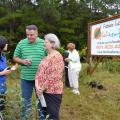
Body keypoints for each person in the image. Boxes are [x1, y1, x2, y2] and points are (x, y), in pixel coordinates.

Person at [13, 25, 47, 120]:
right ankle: (24, 117)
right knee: (25, 100)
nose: (29, 37)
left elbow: (49, 57)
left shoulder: (43, 43)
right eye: (27, 34)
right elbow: (15, 57)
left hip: (40, 79)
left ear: (36, 34)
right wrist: (23, 61)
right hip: (26, 78)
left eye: (31, 35)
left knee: (41, 100)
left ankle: (42, 117)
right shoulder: (21, 43)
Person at [35, 33, 64, 120]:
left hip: (52, 92)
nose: (44, 43)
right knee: (44, 114)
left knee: (52, 116)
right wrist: (37, 85)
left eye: (46, 42)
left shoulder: (57, 56)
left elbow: (54, 76)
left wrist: (42, 88)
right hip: (41, 91)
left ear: (52, 43)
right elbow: (38, 72)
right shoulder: (47, 56)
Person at [0, 36, 13, 118]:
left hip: (2, 87)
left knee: (2, 109)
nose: (7, 44)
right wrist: (3, 73)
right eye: (5, 43)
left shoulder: (3, 55)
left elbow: (3, 68)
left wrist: (9, 69)